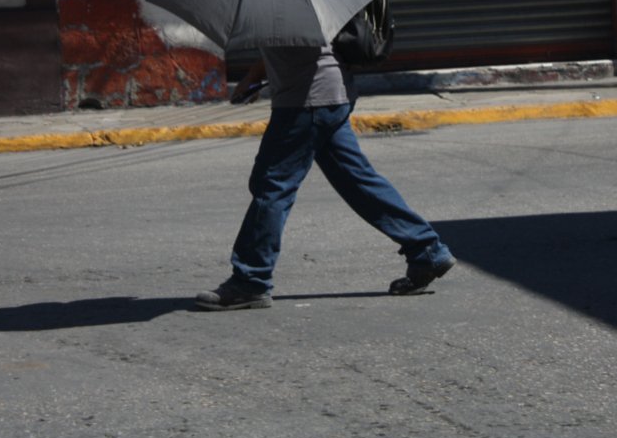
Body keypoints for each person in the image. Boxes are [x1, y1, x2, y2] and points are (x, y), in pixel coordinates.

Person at [195, 44, 454, 311]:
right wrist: (255, 73)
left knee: (272, 186)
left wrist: (257, 73)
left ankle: (250, 280)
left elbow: (293, 35)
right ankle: (426, 250)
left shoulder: (287, 2)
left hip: (307, 100)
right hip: (327, 92)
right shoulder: (292, 4)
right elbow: (288, 36)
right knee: (355, 180)